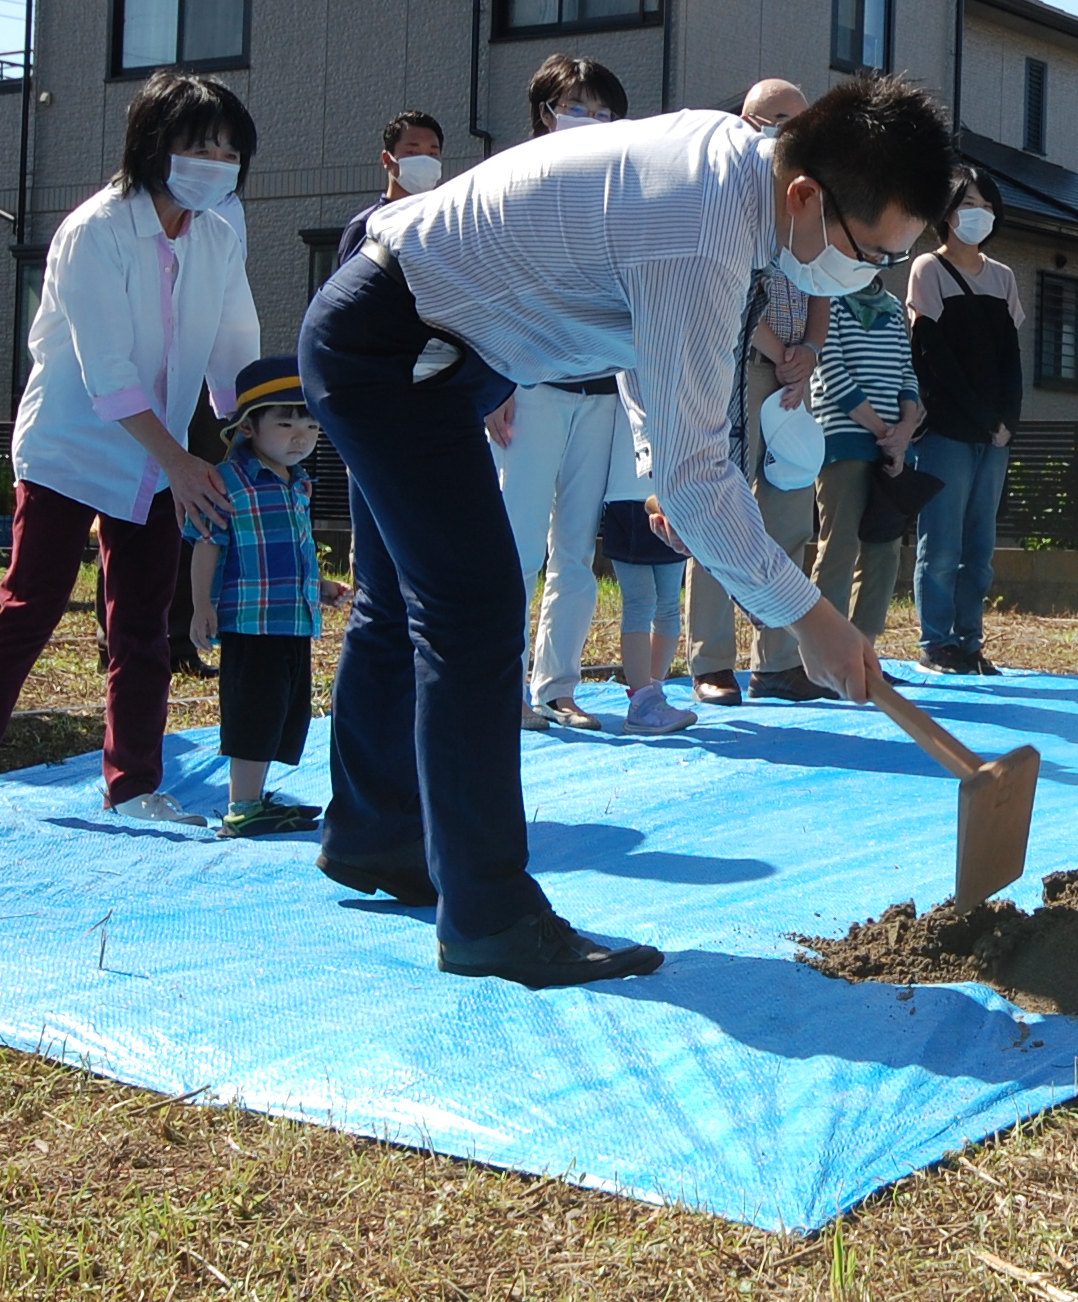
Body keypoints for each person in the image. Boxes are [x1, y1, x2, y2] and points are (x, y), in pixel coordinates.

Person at [300, 71, 949, 985]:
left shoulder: (729, 172)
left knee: (404, 597)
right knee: (475, 606)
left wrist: (672, 479)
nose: (865, 274)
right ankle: (487, 917)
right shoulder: (708, 226)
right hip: (396, 343)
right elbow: (696, 475)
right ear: (808, 194)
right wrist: (810, 618)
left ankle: (375, 835)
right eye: (870, 252)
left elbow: (653, 357)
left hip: (430, 333)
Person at [0, 72, 263, 829]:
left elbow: (235, 354)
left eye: (229, 150)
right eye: (200, 145)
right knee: (30, 608)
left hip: (157, 455)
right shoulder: (94, 230)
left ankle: (135, 786)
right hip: (71, 449)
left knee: (142, 625)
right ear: (153, 145)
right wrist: (178, 460)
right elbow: (107, 374)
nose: (217, 161)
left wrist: (248, 437)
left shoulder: (219, 236)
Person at [497, 55, 632, 730]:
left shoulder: (621, 190)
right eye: (576, 106)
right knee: (516, 549)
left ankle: (558, 685)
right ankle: (505, 689)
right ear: (544, 112)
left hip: (600, 393)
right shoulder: (517, 182)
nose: (591, 120)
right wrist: (493, 384)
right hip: (530, 389)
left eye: (604, 111)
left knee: (576, 551)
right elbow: (490, 290)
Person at [685, 77, 827, 705]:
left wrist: (810, 353)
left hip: (796, 374)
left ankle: (779, 660)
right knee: (721, 510)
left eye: (800, 119)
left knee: (790, 516)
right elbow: (732, 285)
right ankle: (710, 661)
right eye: (777, 118)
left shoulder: (810, 194)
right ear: (746, 121)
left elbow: (824, 277)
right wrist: (779, 351)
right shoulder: (729, 192)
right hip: (738, 365)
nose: (789, 130)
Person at [184, 356, 346, 837]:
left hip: (291, 621)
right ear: (249, 427)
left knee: (282, 710)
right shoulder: (230, 481)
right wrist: (201, 605)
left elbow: (285, 557)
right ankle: (242, 806)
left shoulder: (299, 485)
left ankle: (254, 798)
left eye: (311, 424)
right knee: (253, 711)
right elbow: (208, 545)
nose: (301, 434)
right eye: (285, 422)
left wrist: (319, 590)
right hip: (251, 623)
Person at [907, 167, 1023, 675]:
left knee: (980, 547)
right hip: (947, 431)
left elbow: (1011, 360)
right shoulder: (926, 270)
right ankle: (937, 643)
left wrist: (1007, 423)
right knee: (941, 544)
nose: (979, 213)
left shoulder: (1004, 278)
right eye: (969, 203)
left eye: (987, 204)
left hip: (994, 437)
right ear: (948, 213)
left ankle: (970, 641)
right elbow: (932, 356)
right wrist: (980, 418)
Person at [808, 266, 920, 663]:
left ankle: (863, 655)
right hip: (843, 441)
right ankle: (825, 657)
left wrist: (904, 429)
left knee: (884, 549)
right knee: (838, 545)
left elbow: (908, 374)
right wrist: (880, 428)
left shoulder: (892, 308)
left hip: (890, 447)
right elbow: (830, 370)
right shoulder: (828, 299)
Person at [598, 386, 693, 735]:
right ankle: (642, 701)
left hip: (671, 496)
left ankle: (655, 692)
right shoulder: (621, 372)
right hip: (626, 498)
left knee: (668, 604)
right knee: (640, 602)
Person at [335, 110, 446, 268]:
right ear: (387, 159)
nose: (424, 161)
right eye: (412, 152)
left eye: (433, 153)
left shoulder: (445, 221)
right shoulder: (365, 226)